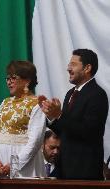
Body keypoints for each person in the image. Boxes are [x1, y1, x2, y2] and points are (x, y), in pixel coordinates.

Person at [39, 49, 109, 180]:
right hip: (65, 169)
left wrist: (59, 115)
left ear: (87, 68)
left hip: (84, 171)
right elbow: (65, 131)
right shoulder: (70, 93)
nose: (68, 68)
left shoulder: (97, 94)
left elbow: (89, 132)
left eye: (73, 64)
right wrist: (51, 116)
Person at [0, 60, 46, 178]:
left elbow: (35, 141)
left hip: (25, 164)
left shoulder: (36, 104)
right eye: (7, 78)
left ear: (27, 81)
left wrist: (14, 165)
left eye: (13, 78)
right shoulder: (5, 102)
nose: (9, 82)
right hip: (2, 163)